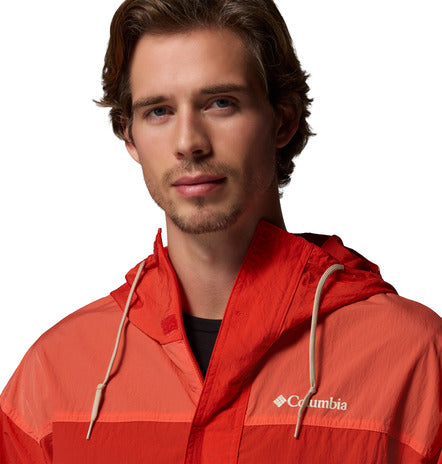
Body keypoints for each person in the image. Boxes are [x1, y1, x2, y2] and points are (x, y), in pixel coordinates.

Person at [1, 0, 440, 462]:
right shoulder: (54, 377)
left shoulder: (412, 358)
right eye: (159, 111)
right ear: (129, 136)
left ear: (283, 120)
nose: (188, 142)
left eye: (220, 103)